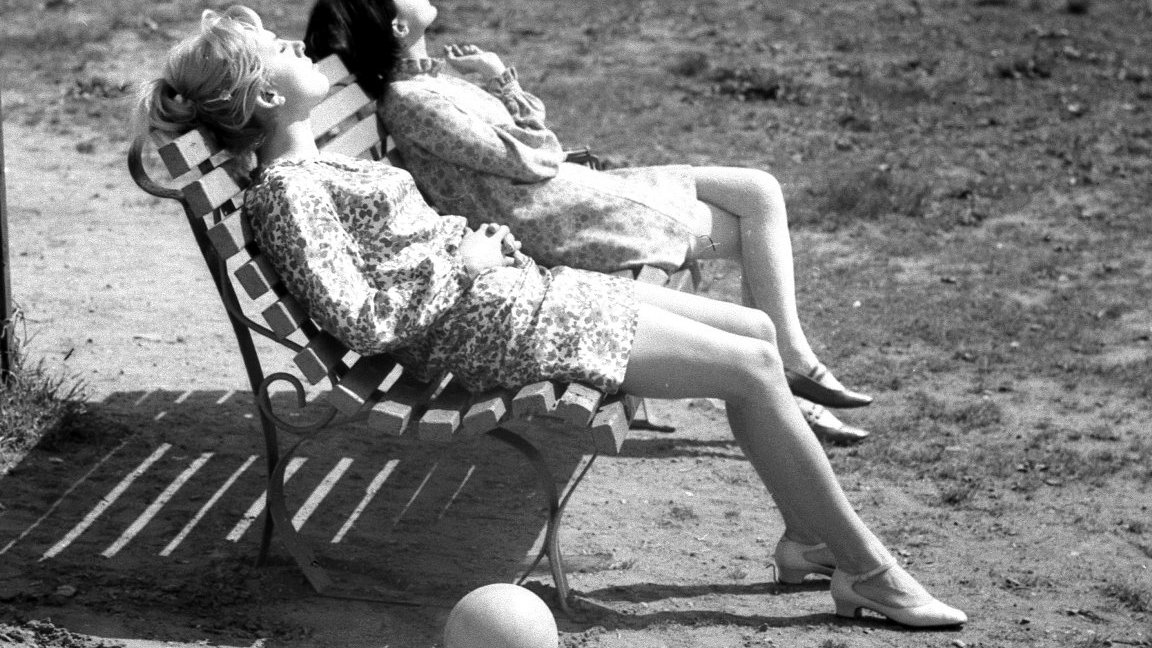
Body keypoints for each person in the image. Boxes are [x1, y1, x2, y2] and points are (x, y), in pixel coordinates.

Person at [135, 6, 967, 628]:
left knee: (751, 335)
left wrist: (471, 244)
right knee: (751, 368)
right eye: (279, 51)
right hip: (491, 320)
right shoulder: (289, 192)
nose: (294, 43)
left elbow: (403, 258)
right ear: (272, 93)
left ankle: (808, 541)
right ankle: (867, 570)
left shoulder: (311, 172)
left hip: (511, 291)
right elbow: (359, 317)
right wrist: (463, 261)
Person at [301, 0, 876, 445]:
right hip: (557, 220)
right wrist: (505, 96)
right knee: (747, 223)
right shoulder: (414, 101)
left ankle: (796, 366)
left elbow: (526, 147)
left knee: (758, 189)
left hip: (568, 197)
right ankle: (793, 384)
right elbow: (537, 155)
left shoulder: (435, 84)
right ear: (398, 30)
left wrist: (499, 80)